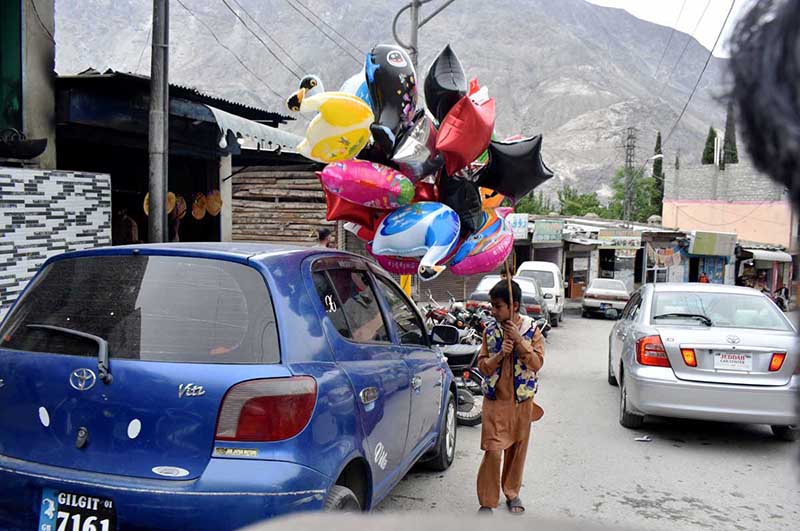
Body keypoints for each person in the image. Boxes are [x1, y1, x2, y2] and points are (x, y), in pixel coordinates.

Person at [476, 280, 544, 515]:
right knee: (493, 450)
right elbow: (483, 366)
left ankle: (512, 492)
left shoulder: (531, 330)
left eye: (498, 306)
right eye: (492, 306)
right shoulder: (490, 331)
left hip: (521, 402)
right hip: (495, 402)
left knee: (516, 450)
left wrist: (519, 341)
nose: (493, 311)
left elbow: (537, 364)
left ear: (513, 306)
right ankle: (487, 500)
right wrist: (499, 355)